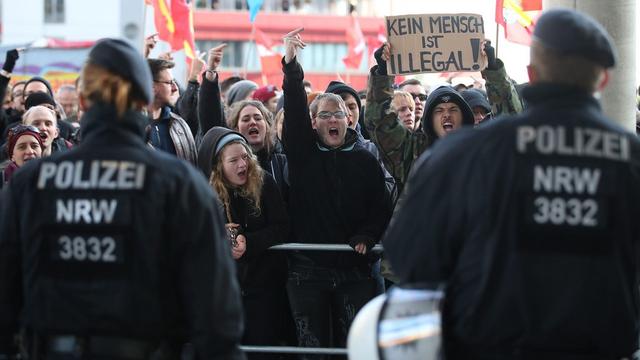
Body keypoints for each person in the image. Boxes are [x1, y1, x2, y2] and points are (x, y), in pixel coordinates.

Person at [384, 8, 639, 359]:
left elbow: (407, 254)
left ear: (533, 74)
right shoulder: (631, 159)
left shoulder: (466, 153)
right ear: (603, 81)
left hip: (494, 345)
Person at [0, 38, 245, 360]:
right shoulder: (179, 184)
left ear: (84, 101)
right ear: (145, 98)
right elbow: (216, 313)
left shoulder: (30, 184)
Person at [282, 28, 390, 358]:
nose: (333, 119)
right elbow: (295, 107)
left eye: (339, 113)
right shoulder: (302, 154)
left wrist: (368, 235)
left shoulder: (365, 159)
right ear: (313, 123)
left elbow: (381, 205)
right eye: (325, 114)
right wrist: (291, 65)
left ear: (349, 121)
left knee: (355, 347)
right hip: (307, 269)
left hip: (354, 270)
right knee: (312, 347)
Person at [198, 127, 290, 360]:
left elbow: (282, 227)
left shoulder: (264, 182)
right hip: (223, 292)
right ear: (219, 166)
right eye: (233, 160)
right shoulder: (205, 193)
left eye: (245, 156)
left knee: (262, 351)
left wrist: (250, 242)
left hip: (262, 287)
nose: (243, 165)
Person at [365, 42, 474, 194]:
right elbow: (379, 122)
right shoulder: (413, 151)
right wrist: (383, 73)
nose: (447, 115)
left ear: (464, 117)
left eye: (453, 109)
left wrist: (494, 72)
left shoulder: (478, 150)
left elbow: (510, 124)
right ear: (429, 119)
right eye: (439, 110)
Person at [146, 58, 198, 165]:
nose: (175, 88)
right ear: (151, 86)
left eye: (175, 82)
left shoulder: (179, 124)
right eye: (170, 83)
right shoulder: (130, 127)